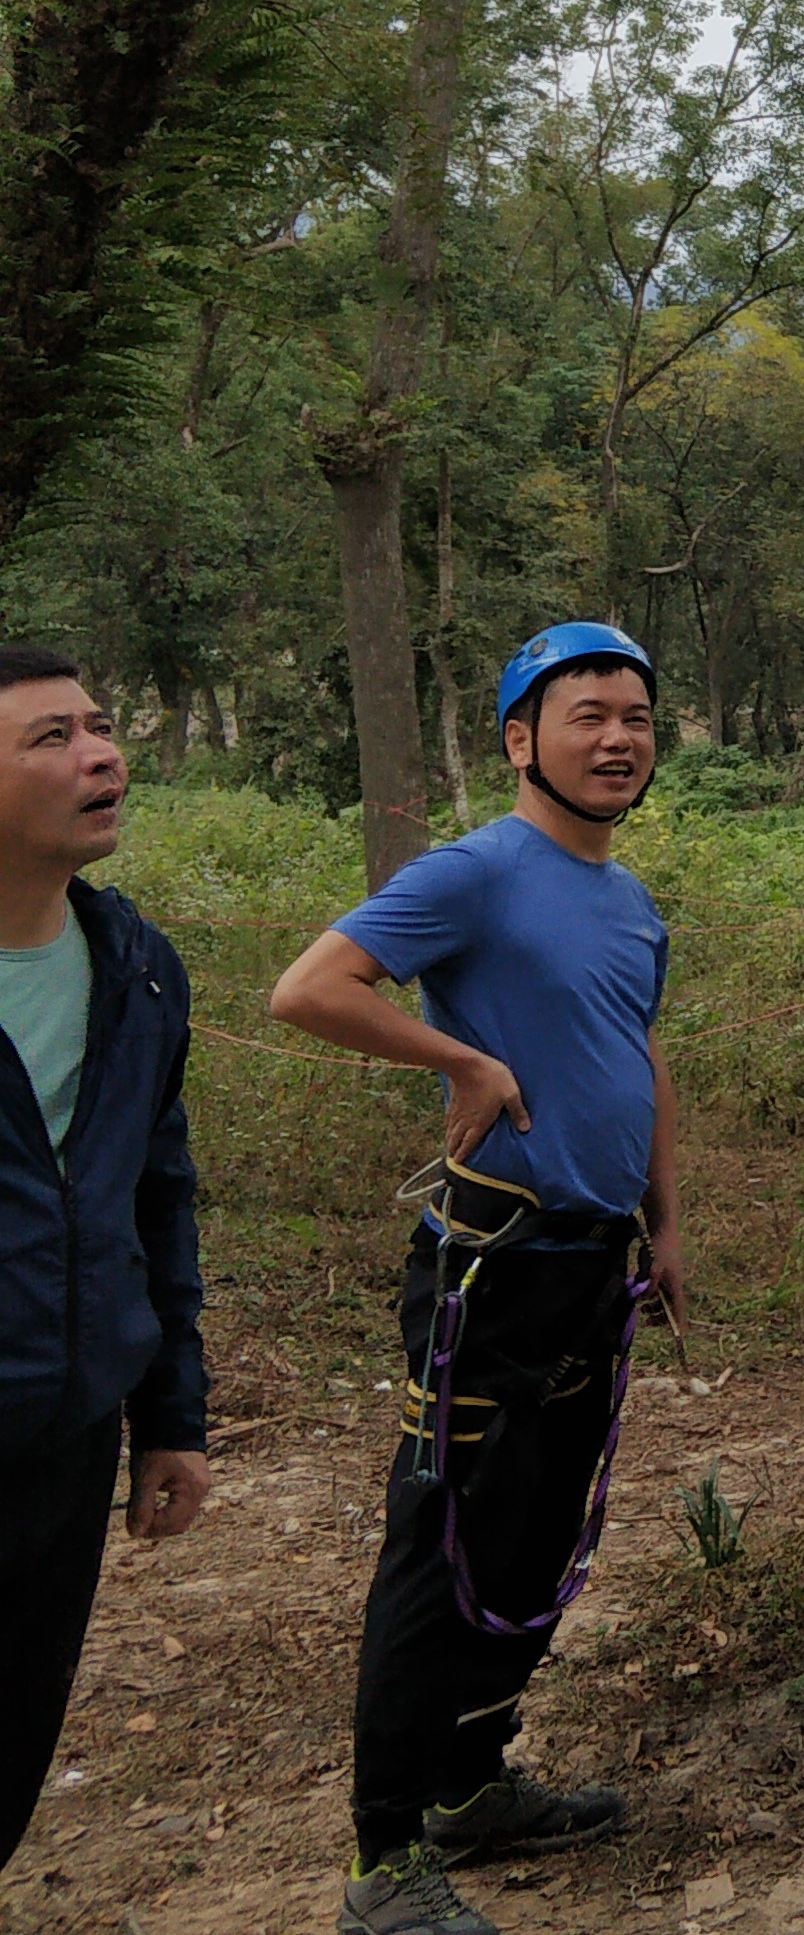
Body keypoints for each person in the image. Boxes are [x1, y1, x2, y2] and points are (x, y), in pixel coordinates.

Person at [271, 623, 684, 1935]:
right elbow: (311, 987)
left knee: (537, 1532)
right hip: (487, 1275)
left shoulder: (631, 901)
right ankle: (385, 1856)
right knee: (438, 1542)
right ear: (520, 740)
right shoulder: (480, 872)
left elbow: (642, 1059)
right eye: (586, 715)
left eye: (635, 716)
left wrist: (665, 1226)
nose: (618, 737)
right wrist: (455, 1057)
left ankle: (471, 1785)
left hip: (593, 1268)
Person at [0, 644, 210, 1873]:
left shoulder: (134, 965)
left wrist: (170, 1417)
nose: (101, 754)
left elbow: (155, 1197)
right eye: (49, 737)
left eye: (98, 726)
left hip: (66, 1442)